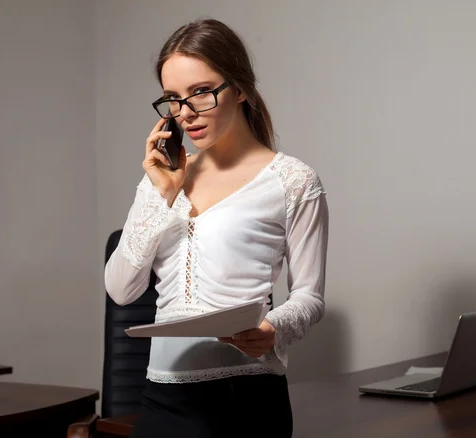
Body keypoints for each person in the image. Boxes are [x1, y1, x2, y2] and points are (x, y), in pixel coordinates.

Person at [104, 18, 329, 438]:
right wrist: (161, 195)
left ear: (240, 88)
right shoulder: (160, 180)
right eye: (173, 99)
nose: (186, 114)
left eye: (201, 93)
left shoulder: (293, 181)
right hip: (162, 398)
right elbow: (121, 290)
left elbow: (310, 296)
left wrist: (273, 330)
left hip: (246, 399)